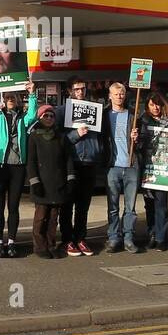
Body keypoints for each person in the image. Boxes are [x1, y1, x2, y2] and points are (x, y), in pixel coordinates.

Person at [0, 71, 38, 258]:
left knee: (13, 206)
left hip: (17, 166)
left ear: (19, 100)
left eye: (14, 97)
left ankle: (11, 241)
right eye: (7, 97)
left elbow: (33, 113)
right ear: (3, 100)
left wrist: (32, 93)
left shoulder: (23, 118)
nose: (10, 99)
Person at [26, 103, 76, 259]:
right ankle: (39, 247)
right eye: (45, 116)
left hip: (58, 182)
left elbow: (68, 159)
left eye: (51, 115)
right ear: (40, 118)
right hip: (41, 183)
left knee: (53, 218)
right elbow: (31, 161)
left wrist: (70, 179)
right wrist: (35, 182)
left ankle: (51, 244)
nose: (49, 118)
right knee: (41, 217)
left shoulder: (61, 136)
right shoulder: (34, 136)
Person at [62, 76, 103, 257]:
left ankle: (80, 238)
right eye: (77, 89)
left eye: (83, 89)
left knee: (83, 205)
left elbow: (101, 135)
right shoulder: (62, 111)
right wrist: (75, 135)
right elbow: (58, 140)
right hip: (72, 163)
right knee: (67, 204)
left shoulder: (94, 110)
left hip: (89, 163)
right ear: (69, 91)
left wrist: (98, 150)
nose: (80, 92)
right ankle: (67, 239)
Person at [103, 82, 144, 253]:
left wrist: (137, 138)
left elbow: (142, 144)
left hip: (131, 165)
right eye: (116, 93)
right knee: (112, 206)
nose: (119, 96)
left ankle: (128, 238)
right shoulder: (104, 116)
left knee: (130, 207)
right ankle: (113, 237)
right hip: (112, 166)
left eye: (122, 93)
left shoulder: (133, 116)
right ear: (110, 96)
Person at [136, 93, 168, 251]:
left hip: (164, 168)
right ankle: (152, 234)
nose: (155, 108)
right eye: (152, 105)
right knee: (149, 204)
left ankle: (161, 237)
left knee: (162, 204)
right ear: (147, 106)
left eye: (158, 104)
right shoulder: (142, 121)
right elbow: (137, 146)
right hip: (148, 167)